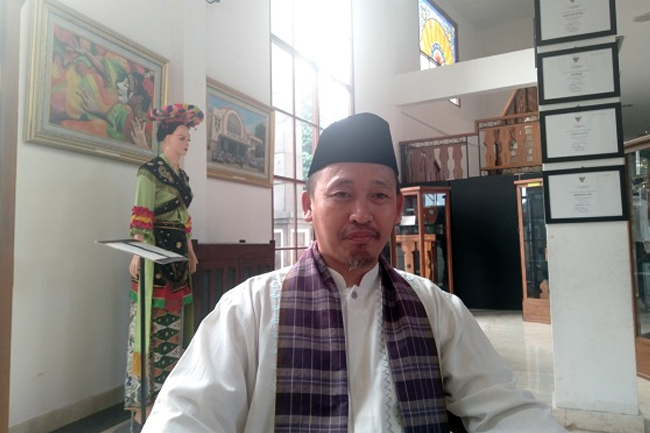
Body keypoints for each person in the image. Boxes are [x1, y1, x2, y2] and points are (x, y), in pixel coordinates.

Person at [142, 112, 567, 432]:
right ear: (308, 206)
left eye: (379, 196)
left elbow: (504, 408)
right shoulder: (249, 309)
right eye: (342, 193)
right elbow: (185, 416)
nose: (361, 213)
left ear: (397, 209)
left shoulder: (435, 308)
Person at [125, 103, 204, 430]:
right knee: (149, 325)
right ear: (166, 138)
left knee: (175, 322)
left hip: (179, 257)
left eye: (188, 138)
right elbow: (142, 212)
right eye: (182, 137)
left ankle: (168, 396)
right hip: (154, 254)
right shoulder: (149, 172)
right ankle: (142, 404)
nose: (186, 143)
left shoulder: (181, 177)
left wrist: (191, 250)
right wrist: (137, 252)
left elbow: (184, 219)